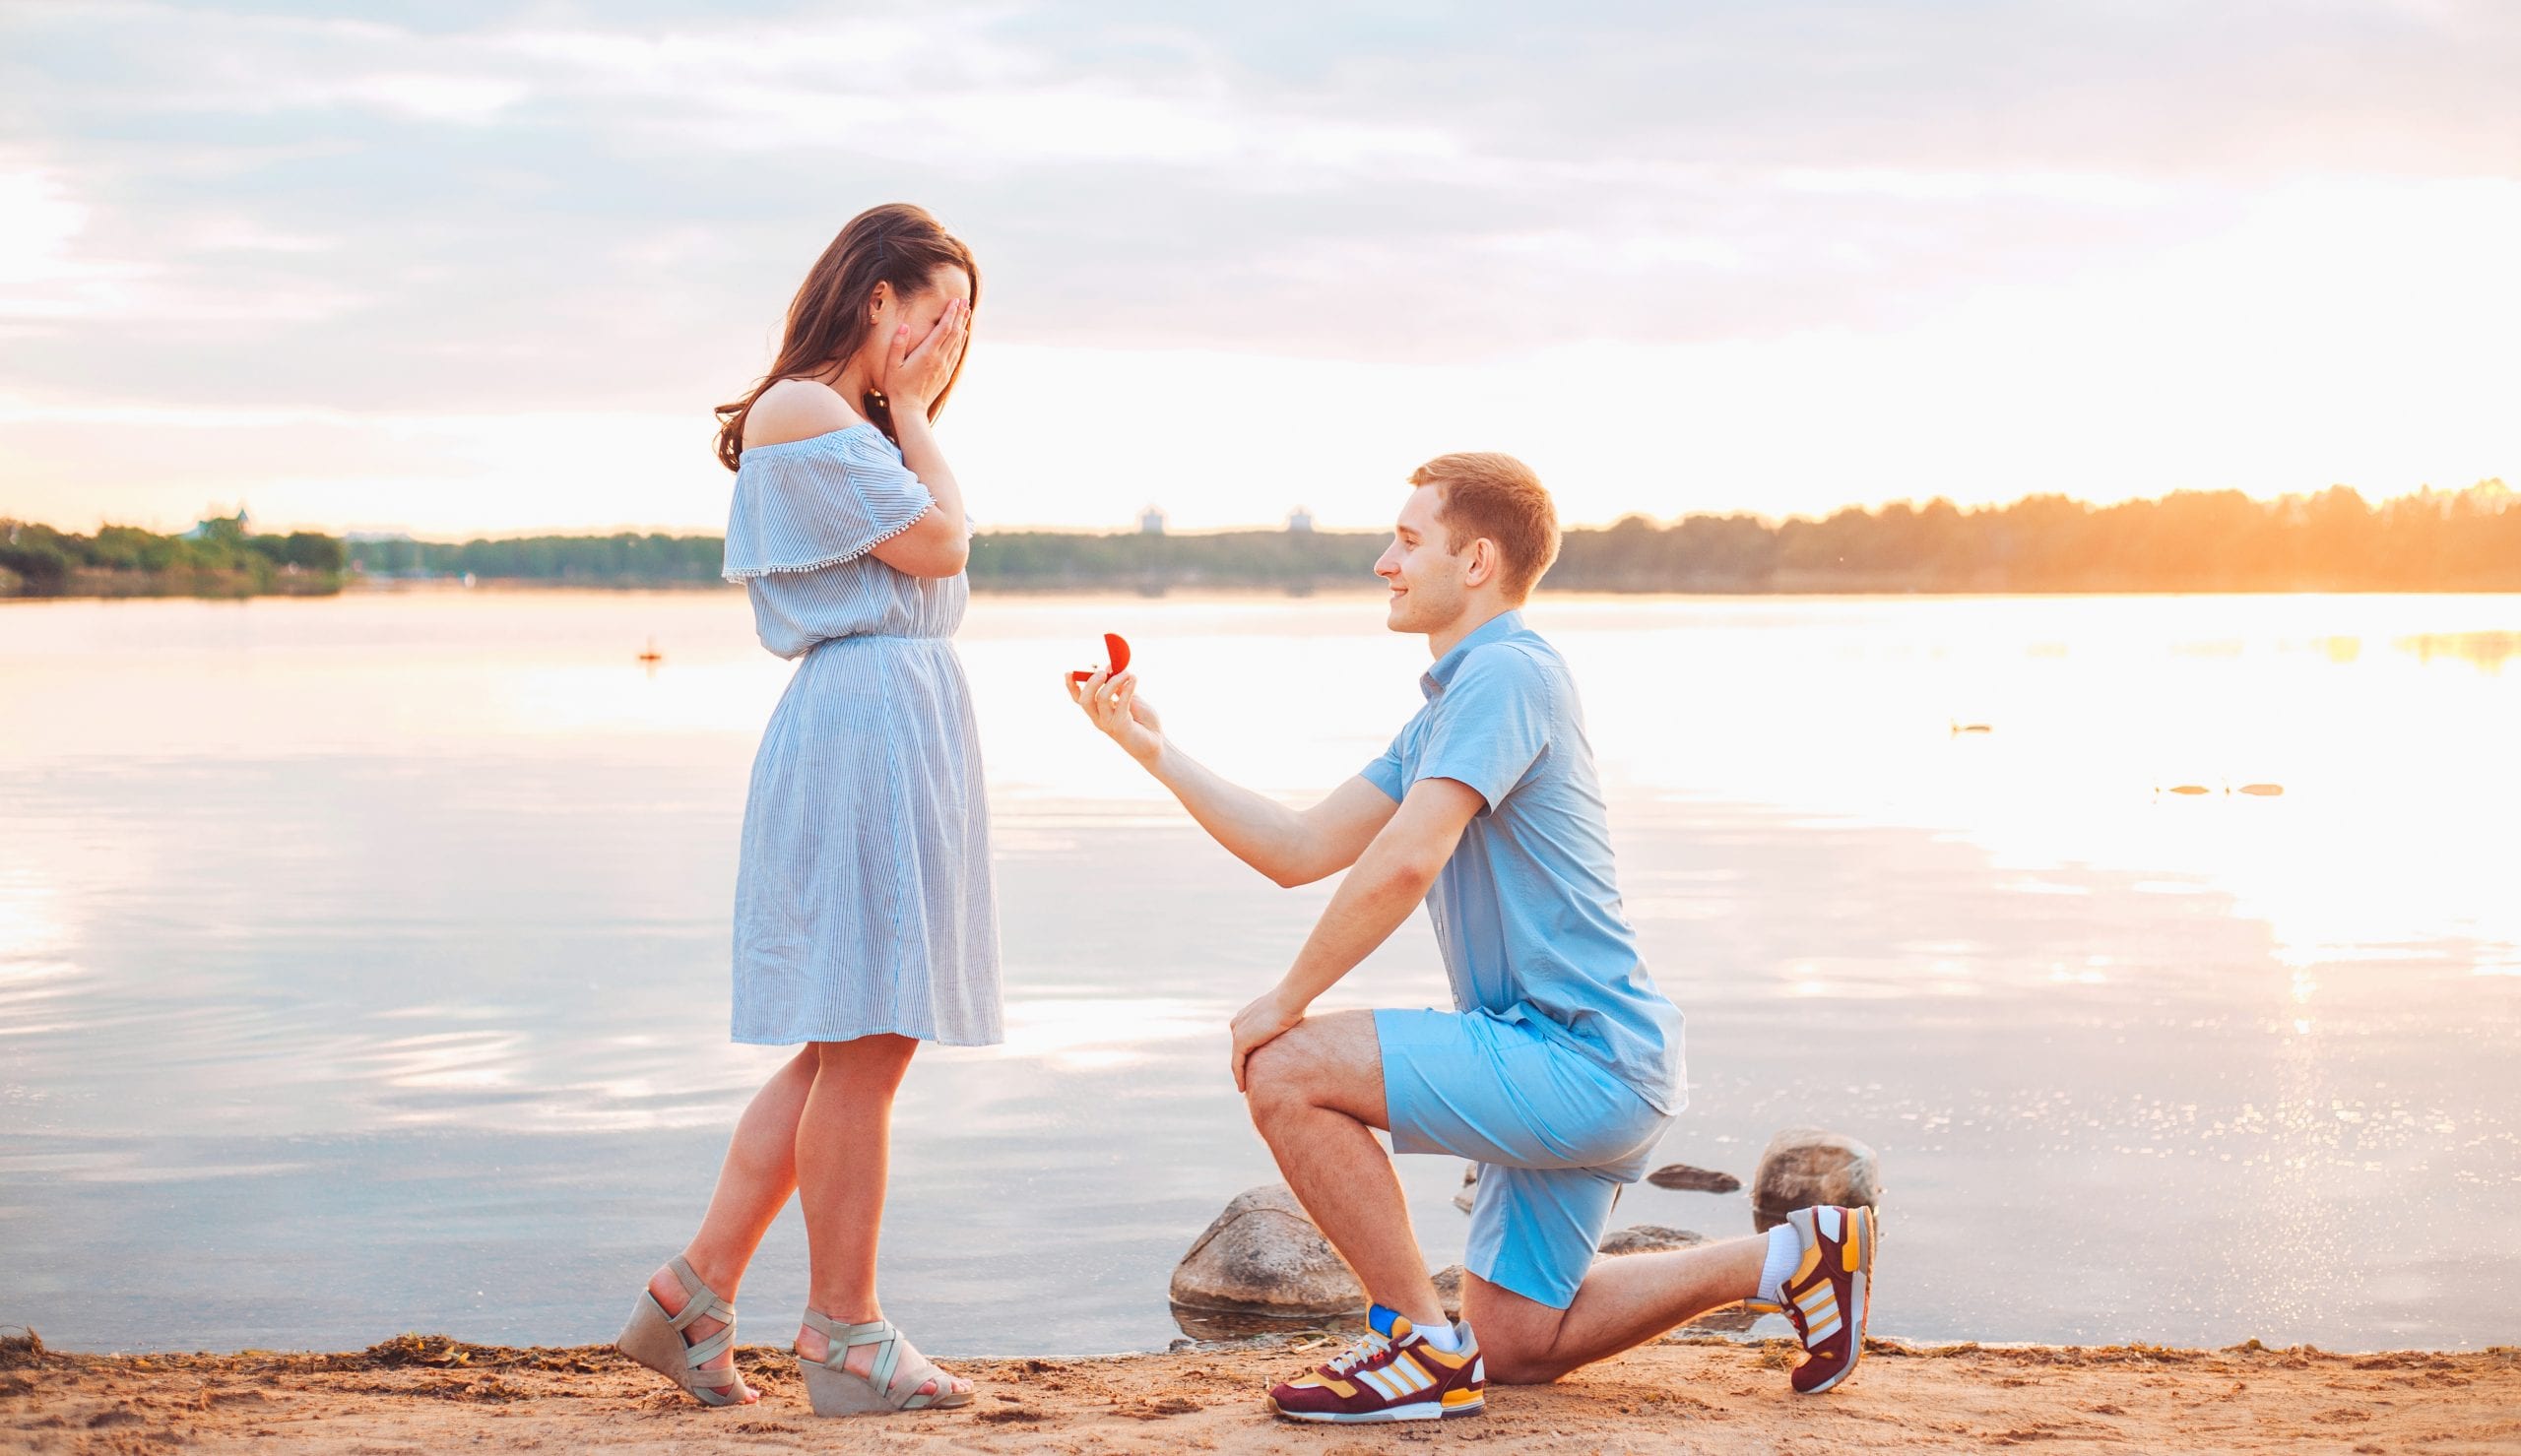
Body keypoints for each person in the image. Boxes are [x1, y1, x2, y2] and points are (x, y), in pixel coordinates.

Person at [1069, 452, 1876, 1424]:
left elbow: (1407, 862)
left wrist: (1285, 1003)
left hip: (1579, 1058)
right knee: (1518, 1344)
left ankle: (1415, 1347)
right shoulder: (1451, 709)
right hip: (1585, 1061)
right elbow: (1296, 848)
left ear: (1479, 560)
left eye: (1407, 542)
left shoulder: (1505, 673)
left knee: (1285, 1068)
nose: (1384, 562)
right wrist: (1152, 749)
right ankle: (1793, 1256)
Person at [614, 203, 992, 1419]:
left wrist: (913, 416)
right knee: (868, 1038)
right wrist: (922, 417)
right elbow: (940, 547)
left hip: (895, 724)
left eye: (964, 323)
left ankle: (692, 1299)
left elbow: (934, 549)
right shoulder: (804, 412)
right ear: (874, 296)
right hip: (861, 732)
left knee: (855, 1039)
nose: (947, 339)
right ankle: (843, 1332)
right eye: (935, 311)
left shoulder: (856, 427)